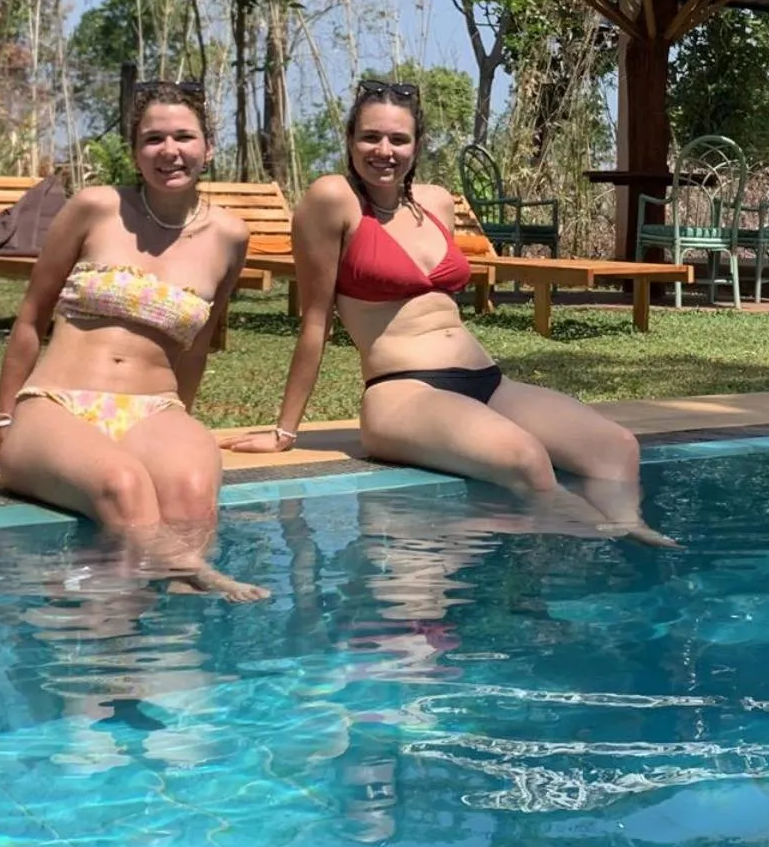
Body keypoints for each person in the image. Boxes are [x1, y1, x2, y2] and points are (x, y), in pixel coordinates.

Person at [220, 79, 673, 545]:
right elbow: (315, 321)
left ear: (417, 145)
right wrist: (283, 432)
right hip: (403, 392)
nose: (384, 150)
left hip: (487, 382)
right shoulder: (333, 199)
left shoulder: (434, 201)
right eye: (370, 137)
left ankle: (628, 531)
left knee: (616, 448)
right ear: (350, 139)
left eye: (399, 139)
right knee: (526, 459)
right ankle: (597, 534)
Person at [0, 80, 267, 601]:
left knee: (189, 489)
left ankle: (167, 644)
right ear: (135, 151)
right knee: (123, 484)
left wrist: (178, 424)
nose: (170, 151)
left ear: (209, 147)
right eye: (152, 139)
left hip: (152, 407)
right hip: (57, 404)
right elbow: (31, 316)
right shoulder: (95, 206)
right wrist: (4, 418)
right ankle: (189, 577)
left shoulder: (230, 236)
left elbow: (199, 344)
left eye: (184, 137)